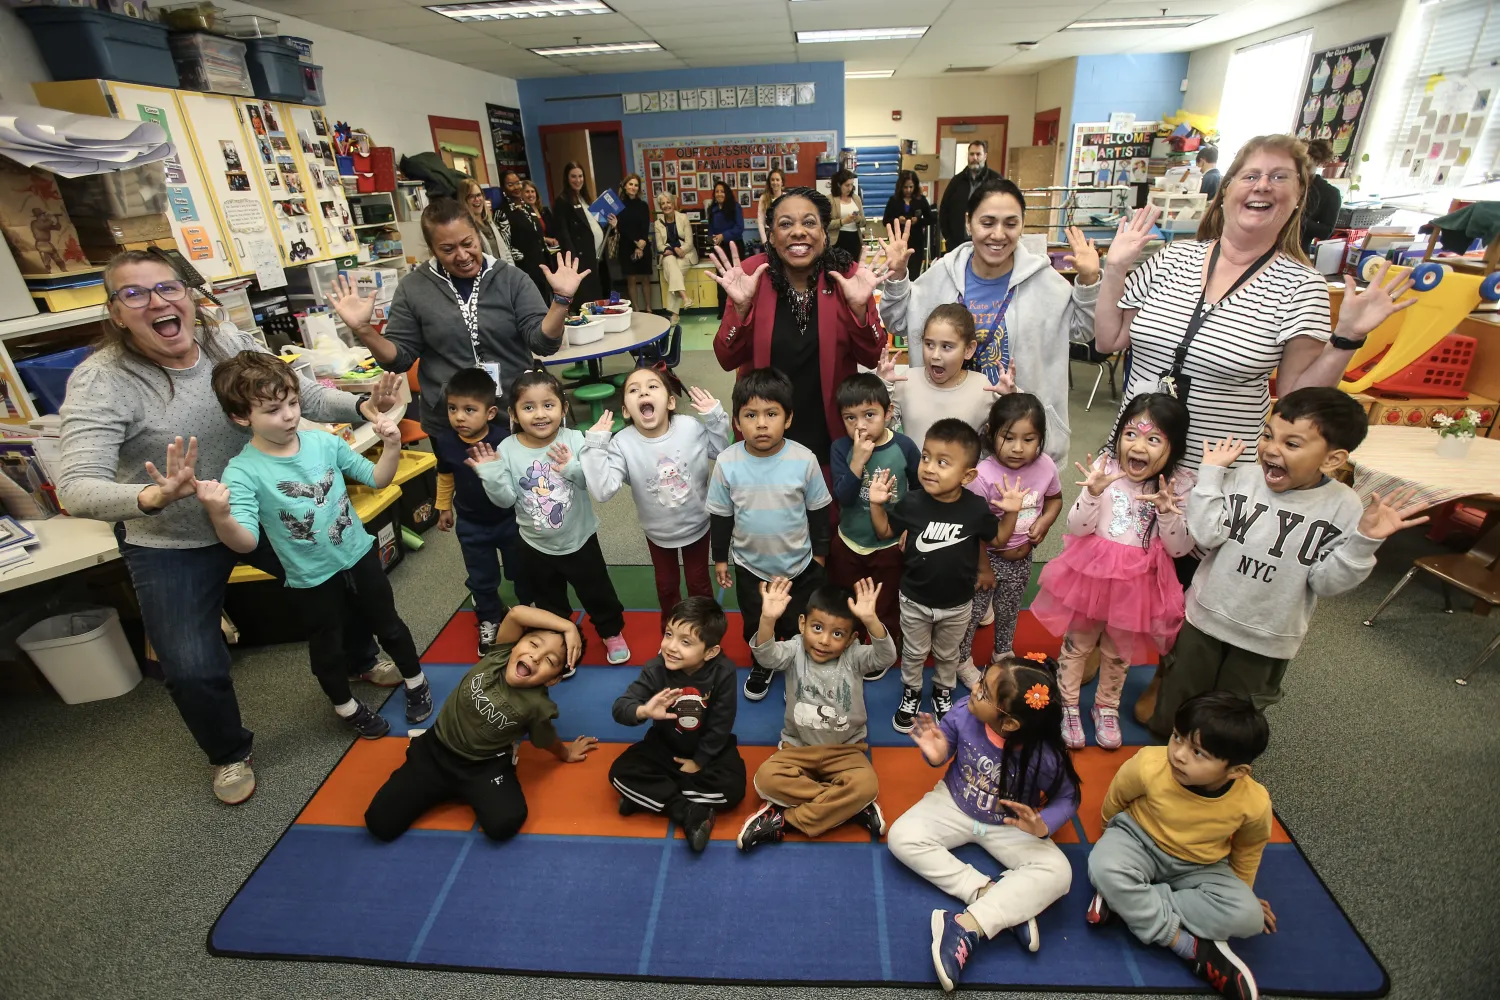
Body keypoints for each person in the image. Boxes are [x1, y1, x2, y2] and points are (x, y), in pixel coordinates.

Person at [57, 249, 404, 805]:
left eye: (167, 287)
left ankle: (360, 659)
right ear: (116, 313)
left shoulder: (226, 341)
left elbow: (300, 392)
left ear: (189, 296)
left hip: (268, 512)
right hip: (172, 538)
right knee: (192, 665)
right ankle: (228, 753)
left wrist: (361, 408)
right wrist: (153, 495)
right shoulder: (101, 380)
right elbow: (75, 487)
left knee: (340, 583)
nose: (156, 301)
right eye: (134, 293)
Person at [1094, 133, 1415, 726]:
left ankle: (1168, 670)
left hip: (1214, 464)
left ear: (1298, 197)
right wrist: (1114, 269)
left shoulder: (1300, 285)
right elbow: (1109, 337)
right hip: (1136, 442)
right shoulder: (1173, 259)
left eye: (1279, 177)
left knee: (1183, 570)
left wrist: (1347, 336)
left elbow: (1294, 394)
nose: (1262, 186)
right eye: (1251, 174)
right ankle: (1101, 639)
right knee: (1116, 548)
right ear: (1226, 190)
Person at [1152, 388, 1429, 736]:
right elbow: (1206, 535)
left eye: (1292, 444)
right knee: (1177, 701)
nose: (1271, 449)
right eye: (1268, 435)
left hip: (1268, 636)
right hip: (1205, 617)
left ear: (1332, 459)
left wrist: (1364, 541)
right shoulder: (1244, 478)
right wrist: (1210, 477)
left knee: (1230, 719)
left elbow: (1326, 583)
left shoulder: (1343, 506)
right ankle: (1161, 754)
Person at [196, 350, 431, 738]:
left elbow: (377, 479)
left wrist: (391, 446)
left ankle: (416, 682)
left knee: (388, 625)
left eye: (292, 402)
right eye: (273, 410)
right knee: (327, 647)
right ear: (241, 417)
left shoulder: (323, 442)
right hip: (310, 577)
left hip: (358, 555)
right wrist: (221, 516)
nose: (289, 415)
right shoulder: (241, 471)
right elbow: (246, 543)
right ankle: (346, 707)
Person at [327, 197, 589, 440]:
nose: (462, 256)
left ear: (477, 235)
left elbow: (543, 343)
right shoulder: (413, 288)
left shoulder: (511, 279)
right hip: (451, 420)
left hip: (515, 412)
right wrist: (364, 329)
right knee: (460, 478)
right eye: (448, 249)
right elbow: (398, 359)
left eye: (468, 243)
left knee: (526, 474)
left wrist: (561, 301)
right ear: (432, 249)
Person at [879, 182, 1101, 468]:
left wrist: (1088, 281)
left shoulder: (1043, 280)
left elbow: (1083, 330)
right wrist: (898, 277)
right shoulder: (942, 275)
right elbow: (898, 322)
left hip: (1019, 442)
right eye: (987, 222)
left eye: (1010, 223)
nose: (998, 234)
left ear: (1022, 226)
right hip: (944, 440)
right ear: (968, 223)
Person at [891, 656, 1080, 991]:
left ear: (1010, 723)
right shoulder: (965, 711)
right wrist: (937, 755)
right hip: (953, 803)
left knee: (1060, 873)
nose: (973, 689)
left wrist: (1043, 825)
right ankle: (991, 895)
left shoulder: (1042, 753)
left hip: (1008, 825)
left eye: (983, 692)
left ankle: (966, 924)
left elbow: (1068, 797)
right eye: (981, 681)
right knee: (901, 836)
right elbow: (944, 744)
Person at [1031, 393, 1195, 750]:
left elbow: (1179, 549)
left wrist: (1167, 513)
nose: (1138, 446)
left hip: (1137, 584)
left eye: (1154, 439)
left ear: (1174, 447)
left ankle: (1106, 707)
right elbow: (1076, 527)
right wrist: (1092, 494)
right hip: (1092, 576)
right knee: (1077, 645)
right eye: (1130, 434)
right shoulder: (1104, 470)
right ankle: (1068, 705)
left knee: (1119, 652)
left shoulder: (1176, 485)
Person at [1086, 692, 1276, 1000]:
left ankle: (1125, 902)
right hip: (1138, 840)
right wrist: (1108, 835)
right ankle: (1185, 945)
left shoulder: (1253, 802)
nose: (1179, 754)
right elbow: (1117, 797)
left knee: (1250, 917)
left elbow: (1249, 849)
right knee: (1103, 866)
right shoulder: (1150, 763)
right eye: (1177, 737)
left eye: (1198, 753)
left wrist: (1244, 889)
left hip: (1200, 866)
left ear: (1236, 771)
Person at [364, 605, 595, 842]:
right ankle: (437, 784)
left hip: (482, 767)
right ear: (516, 644)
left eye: (549, 660)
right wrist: (568, 627)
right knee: (379, 824)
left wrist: (566, 753)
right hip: (434, 750)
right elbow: (516, 614)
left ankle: (482, 777)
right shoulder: (500, 654)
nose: (535, 656)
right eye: (534, 644)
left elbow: (546, 738)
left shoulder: (539, 706)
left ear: (553, 680)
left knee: (505, 823)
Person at [710, 187, 884, 466]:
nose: (798, 232)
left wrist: (860, 310)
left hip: (829, 428)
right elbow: (725, 358)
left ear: (824, 233)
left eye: (809, 222)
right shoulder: (751, 275)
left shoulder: (847, 276)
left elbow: (872, 356)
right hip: (765, 430)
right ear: (771, 235)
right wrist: (740, 311)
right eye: (785, 224)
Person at [466, 368, 630, 664]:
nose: (540, 414)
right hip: (534, 545)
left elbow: (589, 483)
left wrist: (570, 466)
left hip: (579, 539)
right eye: (528, 407)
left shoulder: (574, 439)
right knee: (548, 601)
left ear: (563, 409)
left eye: (548, 405)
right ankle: (558, 642)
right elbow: (505, 500)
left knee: (597, 591)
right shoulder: (507, 449)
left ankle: (611, 632)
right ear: (513, 414)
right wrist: (489, 474)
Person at [867, 419, 1011, 733]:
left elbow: (998, 539)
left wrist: (1011, 512)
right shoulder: (912, 502)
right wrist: (876, 505)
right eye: (926, 457)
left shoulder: (975, 508)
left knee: (949, 654)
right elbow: (884, 532)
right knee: (913, 652)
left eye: (943, 462)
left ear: (967, 475)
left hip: (958, 604)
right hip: (915, 599)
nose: (929, 468)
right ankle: (911, 691)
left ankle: (943, 690)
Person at [736, 578, 896, 852]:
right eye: (817, 628)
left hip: (846, 752)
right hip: (797, 749)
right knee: (765, 780)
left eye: (837, 634)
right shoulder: (794, 649)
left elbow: (886, 657)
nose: (824, 640)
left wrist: (871, 620)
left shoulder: (854, 656)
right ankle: (849, 806)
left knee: (866, 785)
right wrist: (768, 619)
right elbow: (766, 657)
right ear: (802, 624)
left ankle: (784, 820)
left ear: (851, 639)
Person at [705, 368, 833, 700]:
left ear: (788, 418)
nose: (761, 424)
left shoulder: (804, 460)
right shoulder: (727, 462)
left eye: (771, 414)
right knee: (756, 620)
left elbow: (819, 513)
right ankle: (763, 662)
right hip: (752, 567)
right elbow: (721, 516)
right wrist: (720, 558)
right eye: (751, 415)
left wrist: (819, 556)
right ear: (737, 422)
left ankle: (799, 663)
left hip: (799, 565)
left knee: (798, 620)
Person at [579, 364, 730, 628]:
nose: (643, 393)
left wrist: (715, 418)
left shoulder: (689, 427)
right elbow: (602, 491)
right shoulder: (622, 443)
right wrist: (595, 446)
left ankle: (705, 631)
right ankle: (670, 632)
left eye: (652, 386)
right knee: (666, 586)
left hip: (697, 524)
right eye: (634, 390)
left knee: (698, 583)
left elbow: (721, 452)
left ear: (670, 402)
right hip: (657, 532)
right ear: (626, 410)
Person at [609, 597, 745, 852]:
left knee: (732, 790)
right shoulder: (656, 668)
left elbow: (721, 723)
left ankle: (649, 797)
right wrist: (644, 710)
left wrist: (700, 761)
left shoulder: (723, 671)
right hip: (665, 746)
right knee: (619, 772)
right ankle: (687, 810)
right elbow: (620, 707)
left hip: (710, 749)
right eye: (669, 634)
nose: (670, 647)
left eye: (685, 642)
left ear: (710, 652)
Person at [956, 394, 1063, 683]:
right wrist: (983, 568)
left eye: (1029, 439)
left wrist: (1045, 522)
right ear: (991, 433)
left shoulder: (1046, 466)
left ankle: (1002, 652)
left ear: (1040, 438)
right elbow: (972, 529)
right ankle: (961, 659)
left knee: (1009, 610)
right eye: (1008, 437)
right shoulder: (982, 476)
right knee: (973, 612)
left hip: (1022, 558)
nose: (1018, 448)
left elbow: (1055, 499)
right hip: (986, 558)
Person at [431, 367, 529, 656]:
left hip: (509, 520)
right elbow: (445, 475)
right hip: (471, 523)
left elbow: (517, 478)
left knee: (522, 571)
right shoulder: (446, 442)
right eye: (453, 408)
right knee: (481, 577)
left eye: (469, 410)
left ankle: (529, 612)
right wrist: (443, 506)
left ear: (490, 413)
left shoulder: (505, 441)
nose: (459, 417)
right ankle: (489, 618)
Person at [828, 372, 920, 659]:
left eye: (869, 415)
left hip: (890, 545)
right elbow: (843, 497)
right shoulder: (841, 448)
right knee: (849, 600)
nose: (860, 425)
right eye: (850, 418)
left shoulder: (904, 446)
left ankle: (885, 650)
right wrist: (857, 461)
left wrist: (911, 527)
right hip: (850, 542)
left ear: (888, 412)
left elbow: (920, 491)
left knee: (886, 603)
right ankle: (853, 643)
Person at [877, 303, 998, 452]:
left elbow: (1007, 433)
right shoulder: (907, 381)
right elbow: (878, 428)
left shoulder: (982, 387)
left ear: (968, 349)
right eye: (929, 344)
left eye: (946, 347)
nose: (935, 355)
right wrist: (883, 386)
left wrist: (1010, 395)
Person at [551, 161, 609, 310]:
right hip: (580, 260)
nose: (578, 180)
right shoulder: (562, 201)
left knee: (598, 299)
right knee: (585, 302)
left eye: (580, 176)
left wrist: (611, 224)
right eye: (573, 176)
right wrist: (573, 260)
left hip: (597, 256)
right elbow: (563, 233)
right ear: (567, 178)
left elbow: (596, 224)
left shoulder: (586, 199)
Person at [497, 171, 553, 302]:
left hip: (541, 265)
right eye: (510, 184)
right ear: (503, 188)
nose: (516, 187)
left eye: (518, 183)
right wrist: (522, 259)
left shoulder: (527, 207)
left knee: (546, 303)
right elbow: (505, 246)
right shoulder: (502, 212)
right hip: (524, 270)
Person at [937, 140, 1001, 255]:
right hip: (957, 244)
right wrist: (949, 237)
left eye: (978, 154)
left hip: (987, 243)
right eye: (972, 154)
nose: (974, 158)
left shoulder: (996, 181)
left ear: (985, 156)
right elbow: (944, 210)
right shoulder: (956, 181)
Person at [654, 190, 698, 321]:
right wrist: (671, 249)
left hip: (685, 254)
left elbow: (689, 242)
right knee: (670, 263)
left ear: (673, 204)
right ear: (660, 206)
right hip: (669, 255)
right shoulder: (658, 223)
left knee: (674, 274)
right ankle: (685, 298)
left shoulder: (683, 218)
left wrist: (681, 249)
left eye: (668, 202)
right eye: (663, 203)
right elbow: (660, 246)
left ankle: (674, 315)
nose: (666, 205)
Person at [883, 169, 935, 276]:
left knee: (914, 273)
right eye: (905, 187)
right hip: (898, 243)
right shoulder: (893, 201)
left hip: (916, 243)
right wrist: (897, 220)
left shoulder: (921, 200)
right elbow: (885, 221)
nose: (908, 190)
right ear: (900, 187)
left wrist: (918, 221)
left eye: (911, 187)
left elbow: (931, 219)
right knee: (898, 272)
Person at [707, 181, 745, 318]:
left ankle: (739, 309)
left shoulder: (735, 207)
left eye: (722, 191)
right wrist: (711, 239)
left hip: (735, 247)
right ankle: (723, 311)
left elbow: (739, 228)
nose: (719, 194)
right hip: (720, 249)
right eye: (717, 191)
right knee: (722, 279)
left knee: (737, 279)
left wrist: (723, 236)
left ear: (727, 193)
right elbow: (710, 230)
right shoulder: (712, 209)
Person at [615, 173, 652, 313]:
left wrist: (641, 243)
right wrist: (636, 243)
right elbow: (622, 227)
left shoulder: (643, 205)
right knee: (631, 279)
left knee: (645, 278)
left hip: (643, 244)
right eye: (630, 184)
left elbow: (645, 225)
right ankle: (636, 309)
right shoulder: (618, 206)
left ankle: (649, 308)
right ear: (625, 186)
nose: (633, 187)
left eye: (636, 185)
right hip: (627, 245)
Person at [1300, 139, 1341, 256]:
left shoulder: (1329, 193)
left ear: (1318, 163)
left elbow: (1326, 232)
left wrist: (1297, 218)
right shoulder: (1283, 184)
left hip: (1299, 253)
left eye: (1306, 165)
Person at [459, 176, 510, 263]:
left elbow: (505, 251)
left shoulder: (489, 221)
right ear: (464, 200)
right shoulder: (466, 228)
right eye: (471, 196)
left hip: (504, 269)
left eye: (479, 195)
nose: (477, 199)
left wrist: (511, 270)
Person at [829, 168, 865, 259]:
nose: (850, 188)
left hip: (855, 239)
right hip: (838, 240)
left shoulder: (856, 198)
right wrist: (843, 221)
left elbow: (864, 222)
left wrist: (858, 219)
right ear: (838, 184)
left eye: (852, 184)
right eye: (847, 185)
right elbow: (825, 224)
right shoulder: (830, 199)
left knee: (855, 266)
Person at [758, 167, 786, 236]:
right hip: (769, 234)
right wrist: (764, 240)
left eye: (777, 180)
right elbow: (761, 222)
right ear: (769, 182)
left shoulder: (787, 197)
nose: (775, 182)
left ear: (782, 182)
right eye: (772, 180)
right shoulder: (764, 198)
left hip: (784, 232)